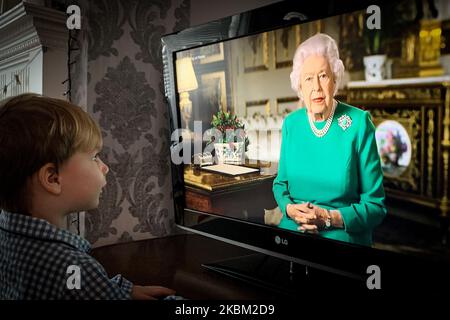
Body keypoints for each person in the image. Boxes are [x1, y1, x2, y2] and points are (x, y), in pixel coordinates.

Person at [0, 93, 175, 299]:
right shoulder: (71, 266)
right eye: (94, 157)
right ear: (53, 178)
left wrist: (123, 291)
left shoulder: (9, 241)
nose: (105, 167)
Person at [272, 33, 387, 246]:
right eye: (308, 78)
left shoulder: (359, 123)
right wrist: (290, 209)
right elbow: (280, 184)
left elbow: (375, 206)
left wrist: (327, 218)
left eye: (323, 76)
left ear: (334, 78)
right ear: (300, 87)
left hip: (341, 236)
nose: (316, 86)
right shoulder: (292, 124)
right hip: (294, 230)